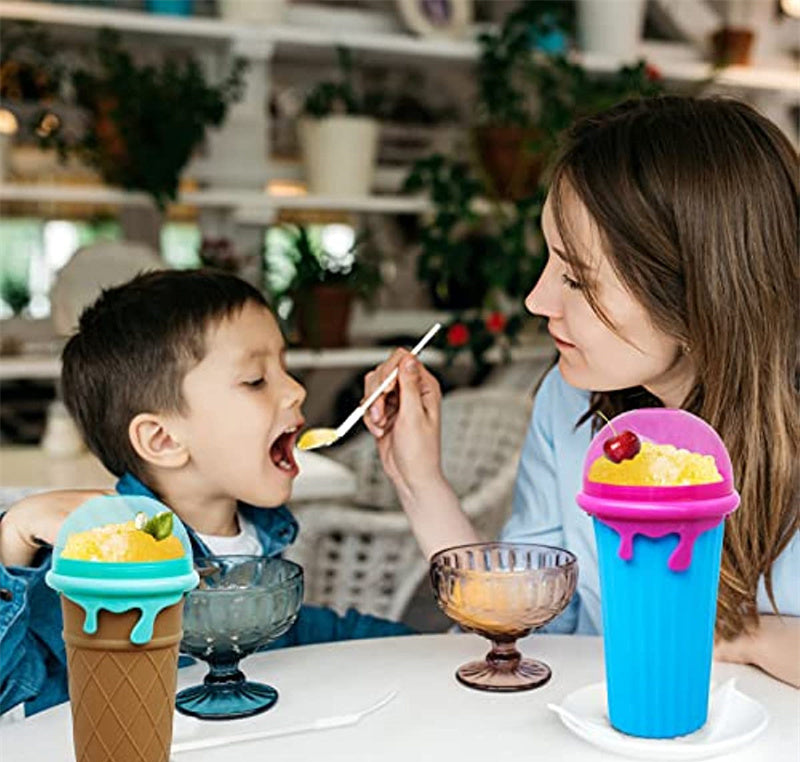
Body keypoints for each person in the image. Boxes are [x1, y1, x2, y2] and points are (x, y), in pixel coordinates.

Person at [361, 96, 799, 687]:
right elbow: (531, 625)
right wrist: (417, 478)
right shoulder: (570, 406)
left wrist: (743, 634)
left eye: (577, 277)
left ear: (696, 292)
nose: (537, 301)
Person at [0, 269, 411, 717]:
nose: (296, 391)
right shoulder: (96, 558)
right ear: (163, 440)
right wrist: (12, 540)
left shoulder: (258, 539)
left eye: (285, 369)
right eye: (255, 380)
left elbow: (299, 636)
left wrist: (431, 649)